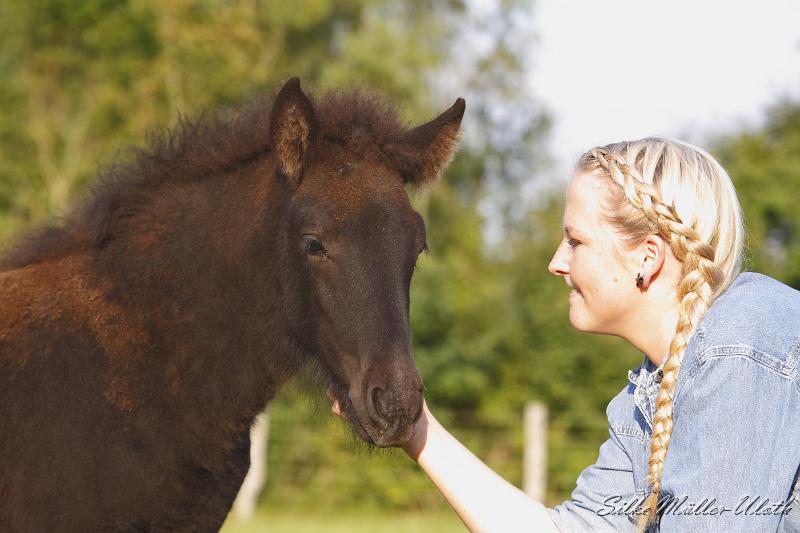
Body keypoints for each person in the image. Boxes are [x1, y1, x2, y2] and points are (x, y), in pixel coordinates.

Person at [329, 137, 800, 532]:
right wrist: (416, 430)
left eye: (576, 240)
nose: (557, 261)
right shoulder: (646, 398)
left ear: (647, 257)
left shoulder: (745, 342)